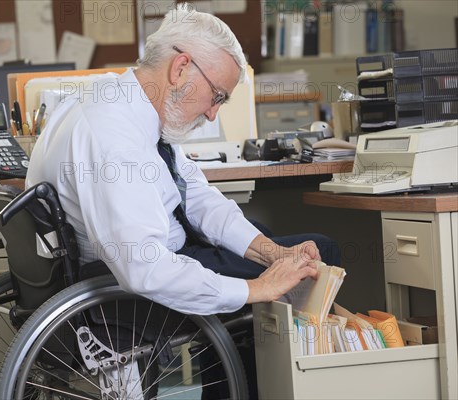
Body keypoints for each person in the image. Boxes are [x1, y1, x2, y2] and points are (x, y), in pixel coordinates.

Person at [26, 3, 340, 397]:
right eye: (217, 97)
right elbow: (146, 270)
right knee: (320, 252)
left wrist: (269, 255)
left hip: (116, 270)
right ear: (180, 69)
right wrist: (256, 290)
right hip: (119, 294)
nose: (212, 115)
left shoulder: (124, 100)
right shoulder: (113, 138)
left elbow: (197, 196)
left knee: (270, 242)